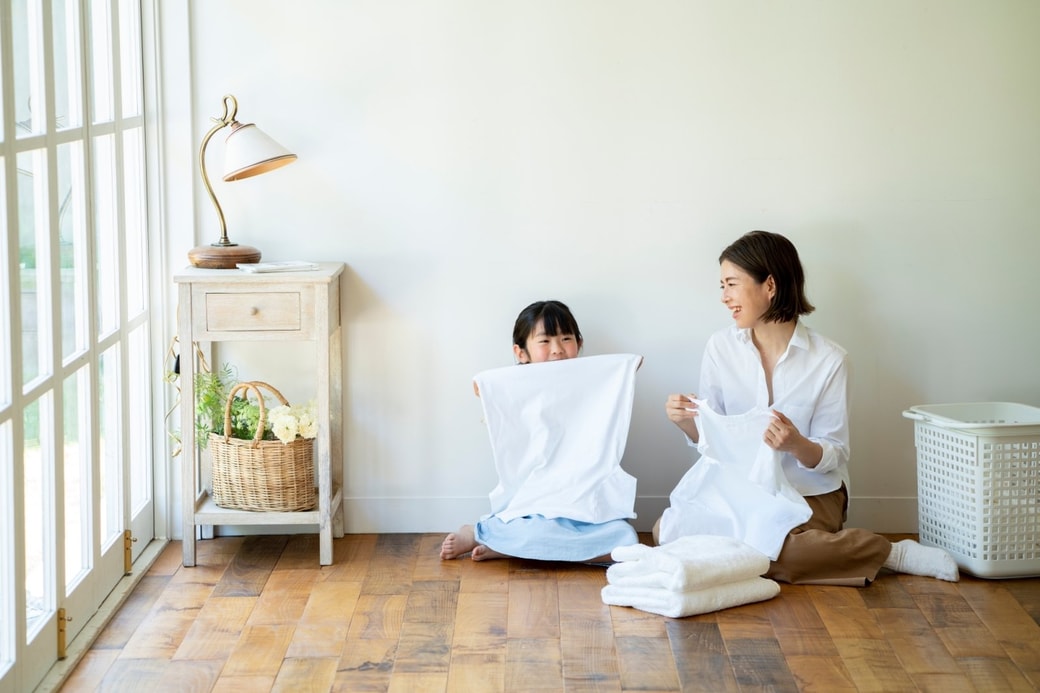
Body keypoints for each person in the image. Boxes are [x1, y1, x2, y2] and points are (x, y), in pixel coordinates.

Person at [657, 231, 958, 585]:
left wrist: (795, 444)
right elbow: (716, 440)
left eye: (732, 285)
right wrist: (686, 423)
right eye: (722, 286)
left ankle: (889, 552)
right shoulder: (721, 347)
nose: (724, 298)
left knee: (781, 550)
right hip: (743, 490)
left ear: (769, 285)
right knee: (667, 531)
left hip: (811, 492)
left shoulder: (829, 359)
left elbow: (834, 453)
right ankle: (810, 553)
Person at [440, 299, 640, 563]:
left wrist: (625, 369)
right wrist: (488, 392)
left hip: (585, 501)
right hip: (535, 505)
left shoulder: (595, 382)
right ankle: (483, 533)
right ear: (521, 353)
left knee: (625, 539)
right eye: (545, 342)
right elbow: (487, 388)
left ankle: (506, 544)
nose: (557, 349)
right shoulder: (515, 391)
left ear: (578, 344)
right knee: (531, 530)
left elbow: (625, 367)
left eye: (566, 339)